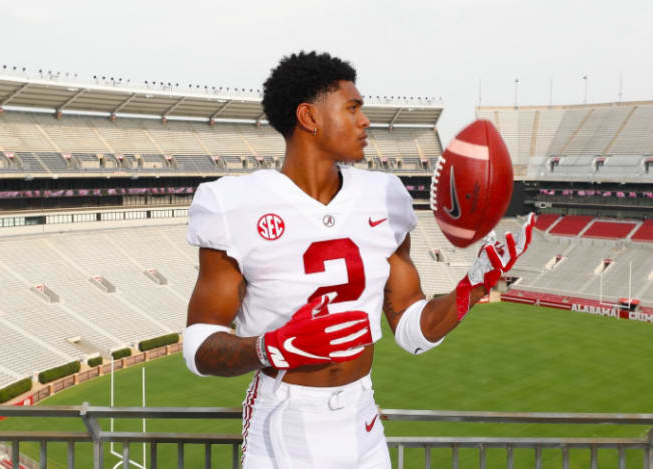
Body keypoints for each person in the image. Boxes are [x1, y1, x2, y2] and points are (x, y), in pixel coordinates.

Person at [184, 51, 534, 469]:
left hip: (362, 418)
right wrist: (270, 347)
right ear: (309, 117)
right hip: (285, 421)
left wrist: (473, 287)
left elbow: (409, 328)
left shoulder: (385, 196)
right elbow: (198, 345)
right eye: (352, 109)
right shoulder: (233, 204)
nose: (365, 121)